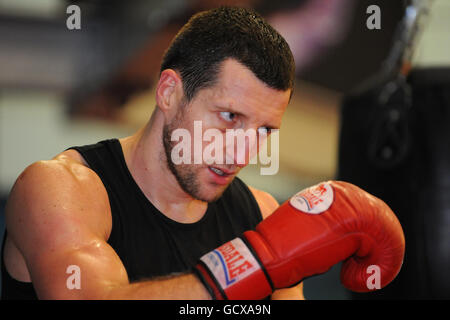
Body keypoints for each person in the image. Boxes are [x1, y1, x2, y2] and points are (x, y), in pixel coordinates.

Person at [1, 7, 303, 300]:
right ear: (169, 92)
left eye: (264, 131)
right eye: (229, 117)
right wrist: (248, 267)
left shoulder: (261, 216)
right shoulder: (60, 191)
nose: (242, 155)